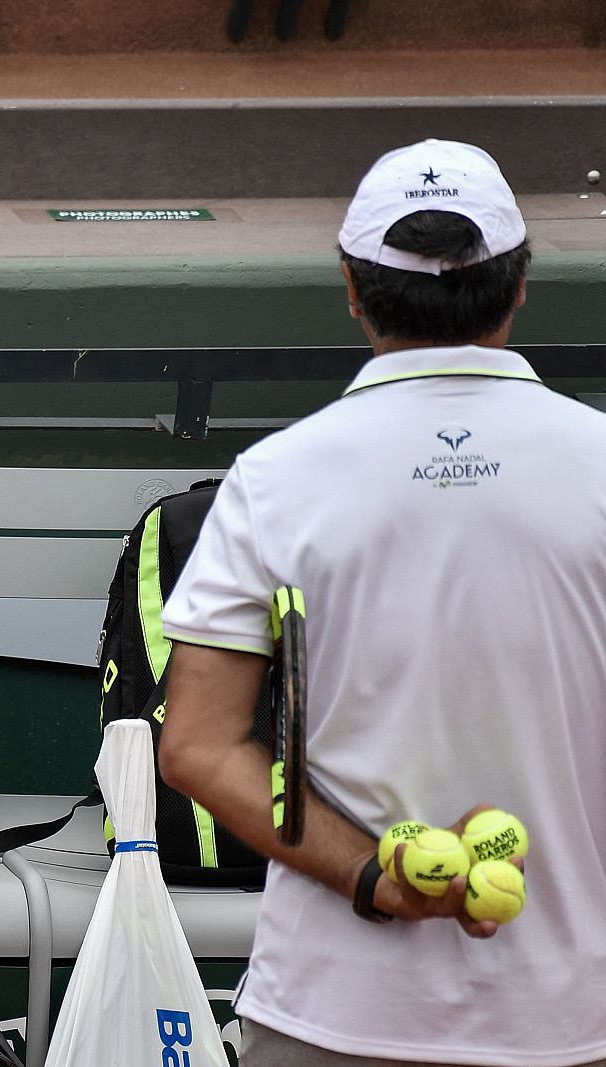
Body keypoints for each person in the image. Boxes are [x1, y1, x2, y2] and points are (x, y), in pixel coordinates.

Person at [157, 139, 606, 1067]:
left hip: (330, 1012)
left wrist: (375, 878)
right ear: (519, 285)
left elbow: (198, 744)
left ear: (353, 289)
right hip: (575, 1021)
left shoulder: (273, 479)